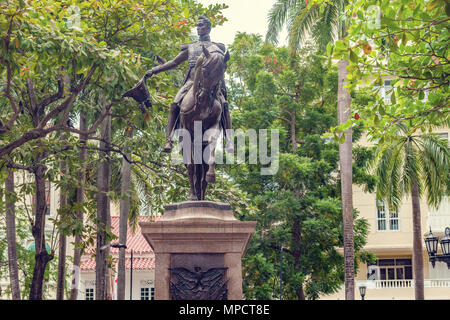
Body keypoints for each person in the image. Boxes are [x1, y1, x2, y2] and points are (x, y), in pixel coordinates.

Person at [144, 16, 232, 153]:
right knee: (174, 105)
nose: (198, 28)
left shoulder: (218, 47)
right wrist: (154, 71)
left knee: (224, 105)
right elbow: (174, 62)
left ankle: (229, 140)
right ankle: (168, 140)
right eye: (197, 26)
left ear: (208, 28)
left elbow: (221, 65)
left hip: (211, 84)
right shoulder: (190, 47)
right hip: (191, 82)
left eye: (201, 25)